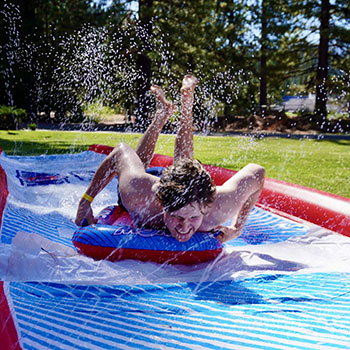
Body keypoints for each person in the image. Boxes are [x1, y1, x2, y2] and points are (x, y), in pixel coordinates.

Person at [75, 75, 265, 243]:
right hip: (151, 185)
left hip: (185, 185)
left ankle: (186, 105)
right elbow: (120, 151)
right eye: (177, 217)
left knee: (186, 168)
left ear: (206, 208)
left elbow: (258, 173)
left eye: (193, 218)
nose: (184, 227)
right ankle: (161, 116)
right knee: (138, 167)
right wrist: (86, 200)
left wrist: (236, 229)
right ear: (161, 204)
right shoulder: (138, 194)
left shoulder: (218, 206)